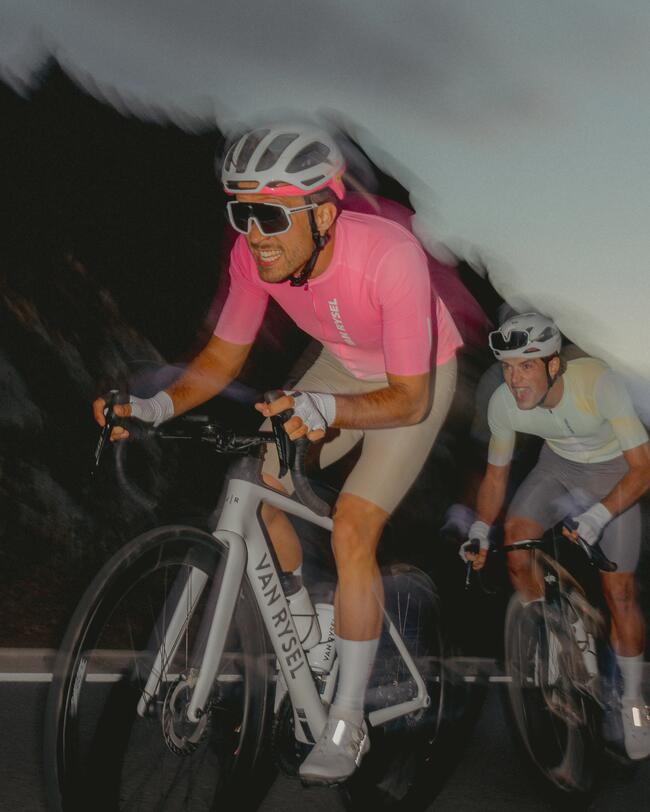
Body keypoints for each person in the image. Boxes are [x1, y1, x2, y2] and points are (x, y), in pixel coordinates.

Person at [93, 121, 462, 783]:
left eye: (269, 216)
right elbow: (219, 360)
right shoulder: (252, 256)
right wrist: (153, 407)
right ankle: (311, 636)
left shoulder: (390, 255)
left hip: (416, 378)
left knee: (352, 526)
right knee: (260, 492)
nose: (254, 234)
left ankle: (346, 722)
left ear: (322, 214)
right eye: (242, 214)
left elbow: (408, 401)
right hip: (342, 364)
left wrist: (328, 410)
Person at [461, 312, 650, 760]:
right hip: (558, 469)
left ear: (553, 364)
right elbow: (495, 476)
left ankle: (633, 701)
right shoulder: (504, 404)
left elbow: (643, 468)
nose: (514, 380)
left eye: (525, 366)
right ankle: (554, 641)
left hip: (616, 475)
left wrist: (599, 516)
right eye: (508, 367)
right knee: (514, 542)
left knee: (619, 592)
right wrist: (479, 528)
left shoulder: (598, 383)